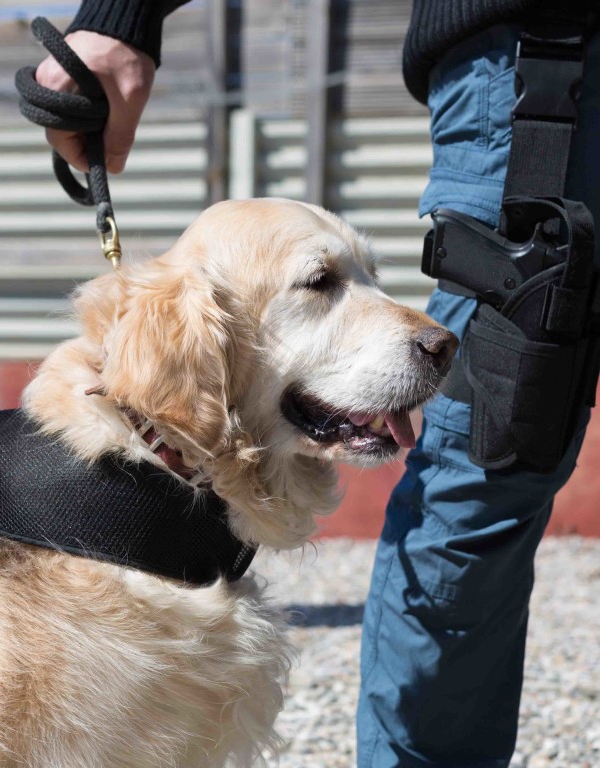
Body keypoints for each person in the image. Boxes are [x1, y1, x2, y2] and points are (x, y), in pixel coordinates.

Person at [33, 2, 600, 766]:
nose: (427, 336)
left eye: (364, 276)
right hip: (540, 50)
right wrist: (123, 14)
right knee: (488, 456)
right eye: (319, 282)